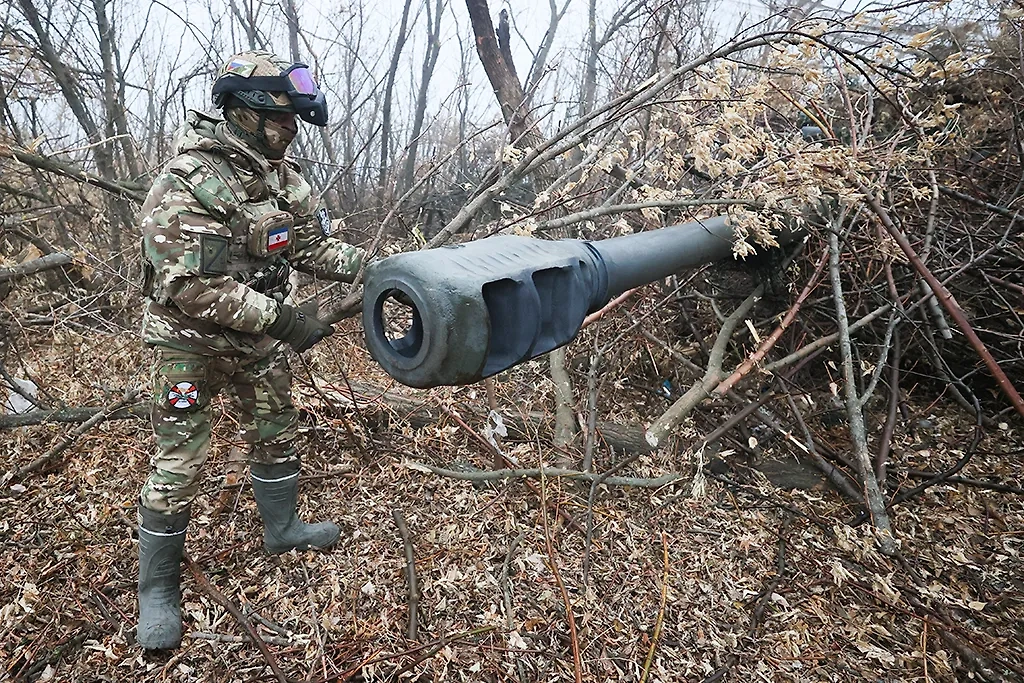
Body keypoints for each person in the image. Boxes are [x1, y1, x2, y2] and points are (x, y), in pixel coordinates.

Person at [136, 50, 363, 650]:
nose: (291, 131)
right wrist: (285, 320)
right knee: (180, 461)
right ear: (244, 112)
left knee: (276, 429)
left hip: (258, 343)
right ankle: (157, 590)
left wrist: (379, 268)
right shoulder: (187, 182)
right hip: (190, 347)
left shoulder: (282, 179)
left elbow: (312, 247)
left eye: (294, 121)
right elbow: (189, 286)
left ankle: (282, 528)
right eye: (281, 119)